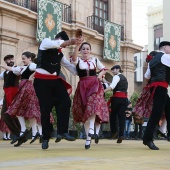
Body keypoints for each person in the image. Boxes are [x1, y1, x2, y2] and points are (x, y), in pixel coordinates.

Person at [33, 31, 83, 149]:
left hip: (54, 81)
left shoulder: (60, 55)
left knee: (65, 101)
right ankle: (45, 138)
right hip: (41, 81)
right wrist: (70, 42)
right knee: (45, 109)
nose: (63, 47)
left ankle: (62, 131)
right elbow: (58, 43)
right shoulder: (45, 42)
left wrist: (83, 72)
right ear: (58, 39)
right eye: (63, 44)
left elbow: (71, 68)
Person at [71, 41, 109, 149]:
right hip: (83, 86)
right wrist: (77, 46)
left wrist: (99, 76)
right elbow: (73, 59)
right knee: (85, 113)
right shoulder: (78, 60)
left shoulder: (95, 60)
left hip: (94, 85)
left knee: (92, 105)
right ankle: (88, 138)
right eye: (83, 49)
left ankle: (92, 129)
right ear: (80, 50)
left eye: (87, 49)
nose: (85, 51)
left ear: (90, 50)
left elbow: (104, 69)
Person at [0, 52, 42, 147]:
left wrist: (32, 76)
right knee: (18, 111)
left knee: (22, 110)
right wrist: (1, 65)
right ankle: (23, 132)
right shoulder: (21, 68)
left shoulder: (31, 65)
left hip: (24, 89)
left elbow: (39, 68)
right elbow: (11, 69)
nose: (22, 60)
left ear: (29, 58)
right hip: (19, 89)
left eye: (24, 58)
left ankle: (25, 132)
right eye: (8, 59)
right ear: (5, 61)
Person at [135, 41, 170, 150]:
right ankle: (147, 138)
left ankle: (166, 133)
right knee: (156, 113)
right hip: (160, 88)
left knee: (168, 109)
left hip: (155, 87)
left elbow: (147, 76)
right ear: (164, 47)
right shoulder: (165, 56)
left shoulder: (152, 61)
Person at [0, 54, 21, 144]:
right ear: (6, 61)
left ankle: (18, 133)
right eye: (8, 60)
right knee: (5, 115)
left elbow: (16, 71)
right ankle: (18, 133)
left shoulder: (17, 68)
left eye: (12, 59)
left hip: (14, 94)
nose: (11, 60)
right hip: (7, 94)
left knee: (12, 114)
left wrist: (2, 66)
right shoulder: (4, 73)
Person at [104, 65, 128, 144]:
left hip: (117, 98)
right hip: (124, 98)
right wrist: (106, 81)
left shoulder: (116, 77)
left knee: (113, 115)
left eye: (113, 70)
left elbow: (112, 87)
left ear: (118, 69)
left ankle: (114, 132)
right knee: (122, 117)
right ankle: (121, 134)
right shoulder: (124, 78)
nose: (113, 71)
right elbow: (115, 85)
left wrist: (102, 92)